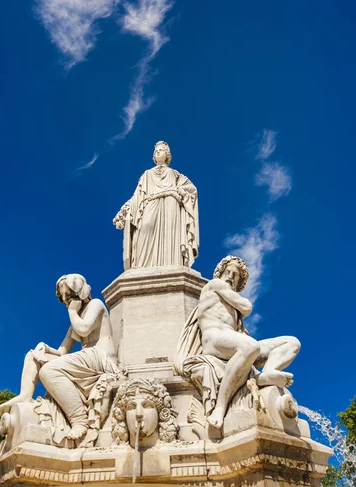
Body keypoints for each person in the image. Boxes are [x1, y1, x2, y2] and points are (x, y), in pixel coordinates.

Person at [175, 256, 301, 430]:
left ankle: (267, 373)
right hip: (214, 339)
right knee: (251, 346)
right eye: (228, 272)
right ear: (221, 272)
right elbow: (247, 307)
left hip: (234, 342)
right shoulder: (215, 285)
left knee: (292, 343)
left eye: (235, 276)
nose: (230, 277)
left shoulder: (230, 302)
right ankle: (220, 407)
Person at [0, 274, 120, 441]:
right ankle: (25, 394)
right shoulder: (75, 319)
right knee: (33, 355)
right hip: (86, 358)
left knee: (49, 371)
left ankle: (80, 420)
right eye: (62, 297)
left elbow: (84, 329)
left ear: (81, 292)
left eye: (68, 295)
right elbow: (62, 352)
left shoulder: (95, 304)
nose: (65, 301)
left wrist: (72, 311)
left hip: (101, 358)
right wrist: (45, 349)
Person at [113, 141, 199, 269]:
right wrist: (125, 210)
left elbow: (192, 189)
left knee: (170, 233)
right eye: (156, 151)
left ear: (167, 154)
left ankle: (172, 264)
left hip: (171, 203)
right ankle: (142, 267)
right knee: (145, 227)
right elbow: (137, 196)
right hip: (151, 202)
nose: (158, 152)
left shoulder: (174, 174)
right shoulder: (147, 174)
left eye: (161, 150)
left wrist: (181, 191)